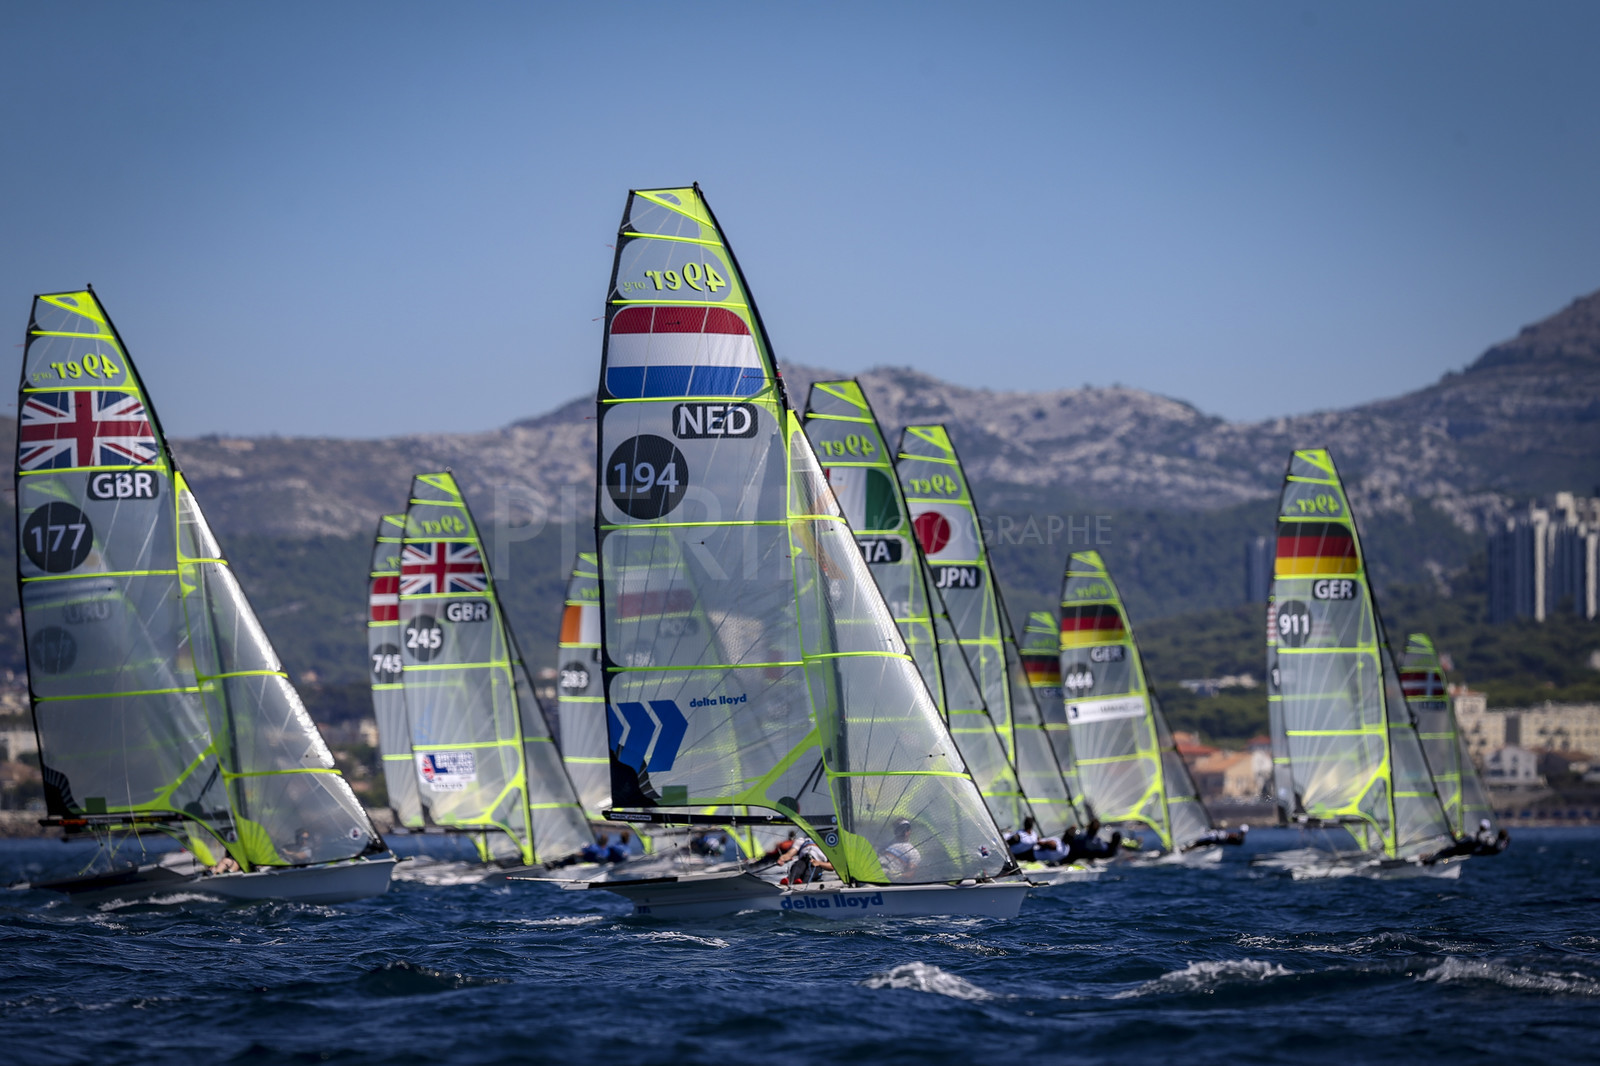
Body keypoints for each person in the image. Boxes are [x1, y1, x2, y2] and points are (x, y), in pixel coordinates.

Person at [1180, 824, 1249, 852]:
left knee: (1201, 842)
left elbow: (1231, 836)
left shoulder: (1238, 838)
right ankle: (1187, 848)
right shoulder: (1240, 839)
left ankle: (1186, 849)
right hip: (1218, 840)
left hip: (1218, 839)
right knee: (1201, 842)